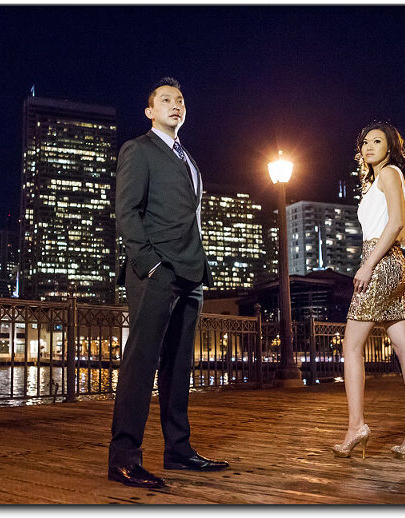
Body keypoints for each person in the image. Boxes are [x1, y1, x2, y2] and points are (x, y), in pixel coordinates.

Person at [108, 77, 229, 488]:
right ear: (150, 111)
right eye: (165, 100)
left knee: (179, 367)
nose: (175, 105)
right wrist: (150, 265)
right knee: (141, 364)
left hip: (192, 275)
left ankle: (178, 450)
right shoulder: (138, 149)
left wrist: (200, 270)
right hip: (156, 273)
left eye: (180, 100)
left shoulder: (189, 159)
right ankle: (123, 458)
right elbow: (126, 212)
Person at [331, 121, 405, 460]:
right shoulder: (384, 179)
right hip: (396, 263)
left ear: (390, 147)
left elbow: (396, 224)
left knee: (351, 346)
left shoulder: (389, 173)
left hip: (380, 262)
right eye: (365, 142)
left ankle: (356, 426)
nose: (369, 147)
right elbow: (403, 229)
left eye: (377, 141)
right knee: (404, 348)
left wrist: (369, 264)